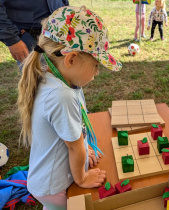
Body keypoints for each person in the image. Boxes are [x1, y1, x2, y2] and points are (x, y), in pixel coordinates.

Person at [17, 5, 122, 209]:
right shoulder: (61, 95)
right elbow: (73, 146)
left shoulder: (60, 80)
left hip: (48, 179)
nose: (97, 73)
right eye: (96, 65)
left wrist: (85, 148)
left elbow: (73, 138)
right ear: (71, 59)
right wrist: (82, 178)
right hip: (54, 187)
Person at [0, 0, 69, 70]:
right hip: (28, 35)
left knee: (65, 74)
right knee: (39, 78)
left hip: (59, 29)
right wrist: (12, 40)